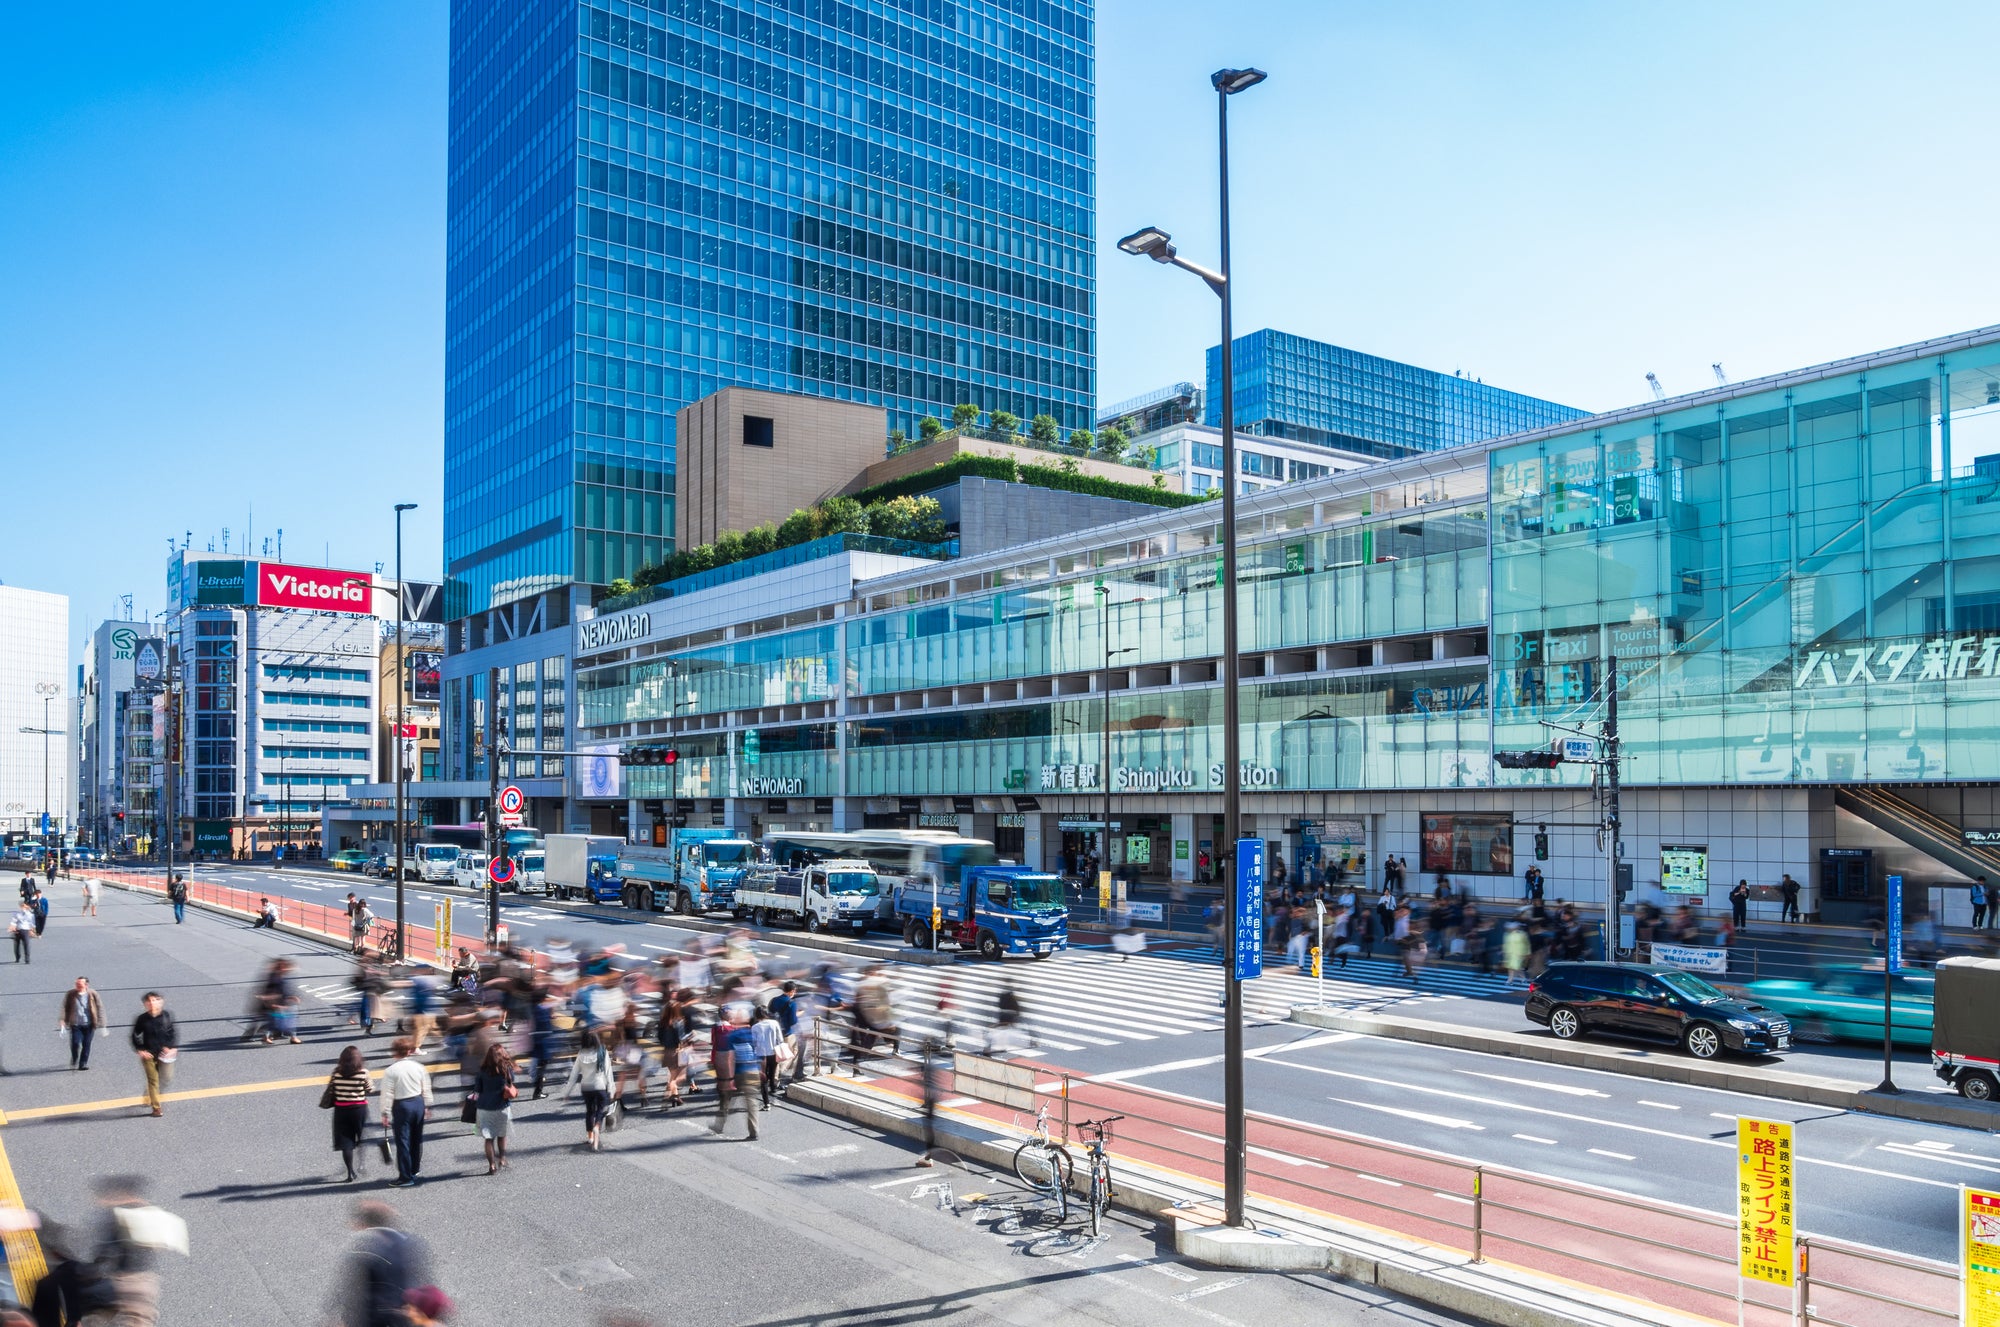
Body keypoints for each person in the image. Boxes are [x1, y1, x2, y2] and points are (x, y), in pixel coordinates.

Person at [91, 1175, 169, 1327]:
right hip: (147, 1282)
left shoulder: (118, 1216)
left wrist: (94, 1268)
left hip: (123, 1283)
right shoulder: (148, 1214)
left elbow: (105, 1252)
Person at [336, 1201, 425, 1327]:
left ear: (364, 1224)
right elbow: (421, 1281)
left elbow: (353, 1293)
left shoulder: (366, 1251)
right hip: (408, 1315)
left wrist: (345, 1320)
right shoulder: (410, 1242)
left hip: (378, 1318)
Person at [378, 1038, 433, 1187]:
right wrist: (427, 1105)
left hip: (402, 1106)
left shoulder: (391, 1071)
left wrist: (385, 1113)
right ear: (409, 1051)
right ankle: (415, 1169)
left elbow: (387, 1094)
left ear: (394, 1053)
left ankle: (405, 1176)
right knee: (417, 1138)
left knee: (403, 1141)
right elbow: (426, 1087)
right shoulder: (419, 1067)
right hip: (418, 1103)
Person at [562, 1027, 616, 1150]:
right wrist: (611, 1089)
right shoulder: (602, 1051)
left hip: (586, 1087)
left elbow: (574, 1074)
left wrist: (567, 1092)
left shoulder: (581, 1053)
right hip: (600, 1086)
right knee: (600, 1110)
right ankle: (597, 1125)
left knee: (589, 1111)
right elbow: (608, 1072)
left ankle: (590, 1137)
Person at [327, 1045, 373, 1182]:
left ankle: (350, 1172)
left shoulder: (336, 1073)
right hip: (359, 1108)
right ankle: (362, 1164)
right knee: (362, 1135)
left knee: (346, 1142)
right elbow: (370, 1088)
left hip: (341, 1110)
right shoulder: (363, 1072)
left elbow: (331, 1090)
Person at [471, 1042, 517, 1174]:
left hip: (484, 1108)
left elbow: (477, 1089)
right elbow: (511, 1082)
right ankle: (502, 1158)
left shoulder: (482, 1071)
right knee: (502, 1135)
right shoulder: (506, 1070)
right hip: (502, 1107)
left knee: (488, 1138)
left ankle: (491, 1166)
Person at [131, 991, 177, 1117]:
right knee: (153, 1081)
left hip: (164, 1054)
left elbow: (172, 1032)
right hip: (149, 1054)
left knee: (166, 1078)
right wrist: (141, 1050)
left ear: (160, 1002)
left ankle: (149, 1094)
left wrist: (172, 1047)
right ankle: (156, 1108)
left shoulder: (167, 1015)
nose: (152, 1003)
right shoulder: (142, 1019)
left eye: (155, 1000)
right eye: (149, 1001)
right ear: (145, 1004)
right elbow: (135, 1035)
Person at [58, 976, 105, 1071]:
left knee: (86, 1044)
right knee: (75, 1043)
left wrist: (102, 1024)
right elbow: (64, 1007)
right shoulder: (71, 994)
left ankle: (83, 1063)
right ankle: (75, 1057)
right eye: (76, 984)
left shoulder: (92, 994)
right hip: (75, 1024)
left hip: (89, 1024)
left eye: (80, 984)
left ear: (86, 985)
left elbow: (100, 1008)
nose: (77, 986)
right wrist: (62, 1020)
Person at [750, 1002, 784, 1110]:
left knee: (763, 1079)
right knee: (772, 1073)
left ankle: (766, 1104)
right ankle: (773, 1088)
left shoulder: (755, 1027)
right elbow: (780, 1039)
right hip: (773, 1053)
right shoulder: (774, 1023)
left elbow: (753, 1043)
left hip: (761, 1055)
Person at [1503, 922, 1530, 988]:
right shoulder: (1507, 934)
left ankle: (1511, 980)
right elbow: (1506, 944)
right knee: (1512, 967)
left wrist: (1527, 953)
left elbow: (1527, 944)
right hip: (1510, 953)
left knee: (1515, 967)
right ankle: (1519, 979)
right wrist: (1505, 952)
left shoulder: (1522, 934)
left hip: (1519, 953)